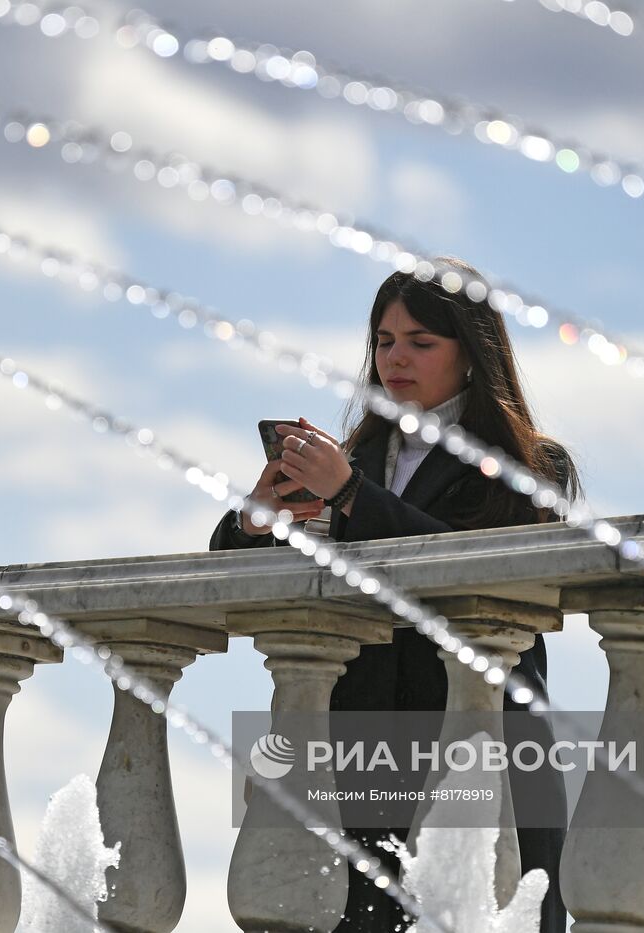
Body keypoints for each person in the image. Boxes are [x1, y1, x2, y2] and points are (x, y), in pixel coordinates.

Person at [211, 258, 577, 933]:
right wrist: (254, 520)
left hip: (476, 747)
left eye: (420, 341)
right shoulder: (354, 455)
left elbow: (473, 571)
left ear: (472, 353)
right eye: (384, 340)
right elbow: (235, 582)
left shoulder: (533, 462)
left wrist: (352, 493)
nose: (395, 358)